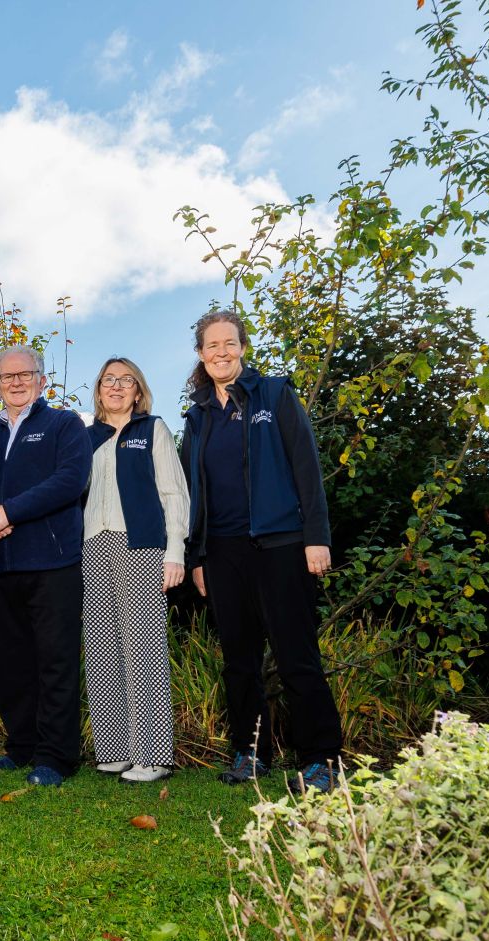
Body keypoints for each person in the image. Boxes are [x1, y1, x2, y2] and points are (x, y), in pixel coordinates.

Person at [181, 309, 344, 794]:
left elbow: (306, 468)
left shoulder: (274, 395)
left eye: (229, 343)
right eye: (211, 346)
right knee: (239, 661)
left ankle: (321, 760)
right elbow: (194, 494)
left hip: (280, 545)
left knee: (296, 655)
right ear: (201, 354)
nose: (221, 352)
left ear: (243, 347)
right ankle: (251, 753)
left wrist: (317, 536)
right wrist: (197, 557)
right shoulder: (198, 415)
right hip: (223, 554)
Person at [0, 346, 91, 787]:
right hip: (1, 565)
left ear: (42, 380)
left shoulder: (65, 425)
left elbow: (70, 481)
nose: (17, 381)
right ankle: (20, 747)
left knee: (55, 661)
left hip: (53, 562)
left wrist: (9, 512)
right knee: (11, 662)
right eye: (7, 376)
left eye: (26, 374)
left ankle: (56, 757)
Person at [83, 357, 189, 783]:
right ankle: (115, 749)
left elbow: (174, 493)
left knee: (143, 649)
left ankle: (154, 755)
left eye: (126, 380)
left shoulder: (153, 430)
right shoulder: (84, 436)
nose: (116, 386)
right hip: (92, 546)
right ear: (99, 389)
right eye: (108, 379)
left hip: (141, 546)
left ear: (138, 390)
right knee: (103, 648)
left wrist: (175, 551)